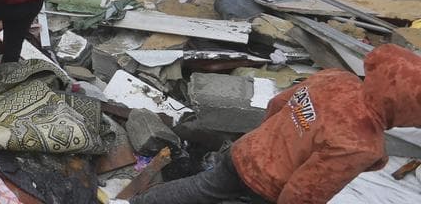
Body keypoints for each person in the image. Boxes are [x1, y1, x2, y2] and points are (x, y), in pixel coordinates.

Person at [130, 43, 421, 204]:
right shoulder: (361, 144)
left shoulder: (337, 79)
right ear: (408, 109)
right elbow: (303, 193)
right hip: (266, 185)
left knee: (201, 188)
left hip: (246, 150)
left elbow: (278, 103)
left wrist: (267, 138)